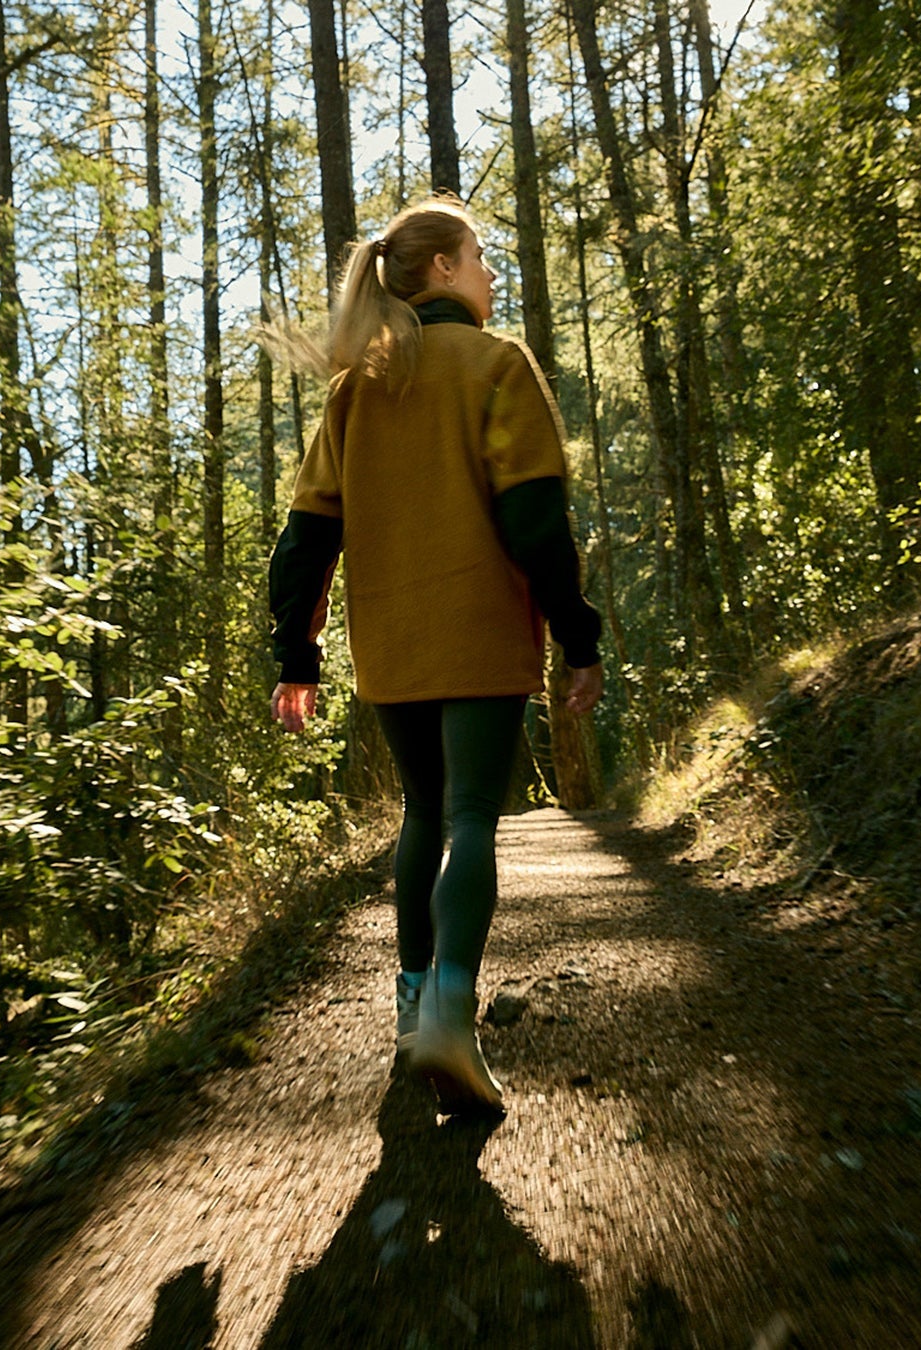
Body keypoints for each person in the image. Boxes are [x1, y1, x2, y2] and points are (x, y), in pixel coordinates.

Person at [265, 197, 604, 1117]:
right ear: (444, 270)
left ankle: (415, 1017)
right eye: (480, 256)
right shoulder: (497, 365)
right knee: (470, 818)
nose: (492, 273)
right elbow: (536, 523)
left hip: (390, 640)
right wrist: (580, 637)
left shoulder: (354, 392)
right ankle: (454, 1014)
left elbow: (303, 541)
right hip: (481, 628)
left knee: (421, 815)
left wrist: (296, 656)